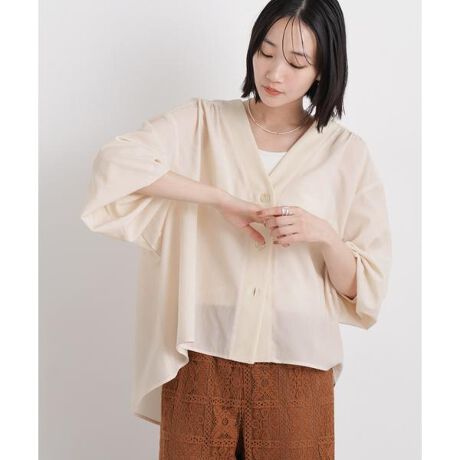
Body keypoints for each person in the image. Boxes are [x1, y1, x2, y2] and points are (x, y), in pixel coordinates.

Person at [80, 0, 392, 458]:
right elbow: (115, 164)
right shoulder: (203, 122)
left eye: (296, 62)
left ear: (322, 70)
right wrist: (218, 198)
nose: (274, 72)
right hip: (202, 358)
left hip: (298, 370)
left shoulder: (346, 154)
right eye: (265, 52)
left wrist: (324, 234)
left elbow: (362, 289)